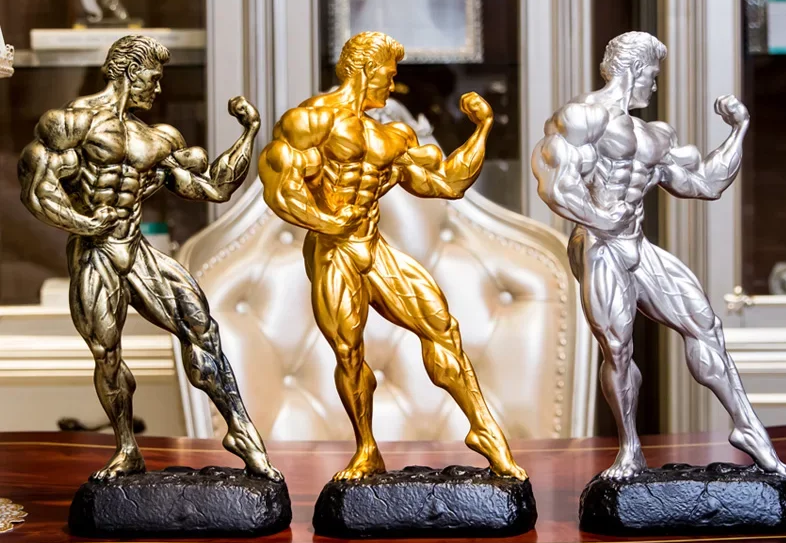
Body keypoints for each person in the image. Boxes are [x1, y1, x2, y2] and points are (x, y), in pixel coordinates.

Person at [259, 31, 526, 481]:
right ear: (364, 70)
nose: (392, 82)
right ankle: (366, 448)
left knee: (442, 326)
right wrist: (326, 222)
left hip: (373, 247)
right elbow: (280, 188)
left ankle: (484, 430)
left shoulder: (393, 136)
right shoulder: (309, 121)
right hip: (334, 254)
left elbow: (448, 183)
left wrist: (481, 129)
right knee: (349, 352)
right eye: (388, 73)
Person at [18, 35, 279, 482]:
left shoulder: (158, 138)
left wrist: (249, 134)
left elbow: (214, 188)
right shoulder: (72, 123)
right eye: (152, 79)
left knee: (202, 328)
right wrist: (84, 223)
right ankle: (126, 448)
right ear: (127, 71)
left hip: (136, 249)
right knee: (107, 353)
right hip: (95, 253)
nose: (157, 89)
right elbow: (37, 189)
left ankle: (240, 430)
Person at [531, 30, 786, 480]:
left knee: (705, 325)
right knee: (617, 348)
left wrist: (738, 131)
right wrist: (599, 216)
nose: (654, 85)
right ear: (634, 69)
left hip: (636, 245)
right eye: (652, 75)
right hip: (599, 245)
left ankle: (748, 429)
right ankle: (629, 449)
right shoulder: (581, 117)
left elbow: (706, 184)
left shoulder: (653, 135)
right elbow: (555, 185)